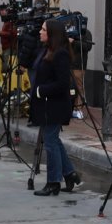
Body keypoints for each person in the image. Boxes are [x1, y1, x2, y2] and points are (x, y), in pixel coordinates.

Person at [30, 19, 79, 196]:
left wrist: (40, 91)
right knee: (54, 141)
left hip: (55, 106)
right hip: (46, 106)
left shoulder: (61, 54)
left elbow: (62, 83)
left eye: (43, 29)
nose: (40, 32)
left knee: (50, 143)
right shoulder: (47, 50)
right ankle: (70, 174)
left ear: (52, 34)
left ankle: (53, 182)